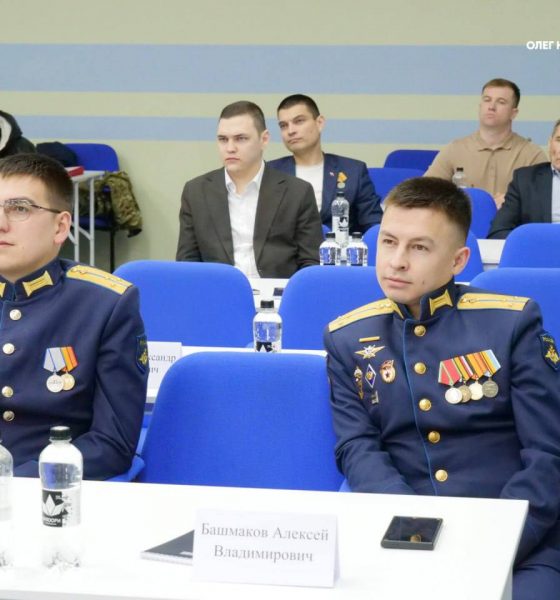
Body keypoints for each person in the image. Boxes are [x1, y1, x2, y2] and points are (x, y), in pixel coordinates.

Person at [324, 176, 560, 598]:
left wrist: (496, 543)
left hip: (517, 544)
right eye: (388, 242)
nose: (397, 261)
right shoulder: (347, 338)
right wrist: (410, 530)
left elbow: (548, 454)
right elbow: (356, 447)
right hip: (398, 538)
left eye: (419, 248)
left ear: (458, 260)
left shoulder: (510, 324)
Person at [0, 153, 147, 479]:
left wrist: (17, 483)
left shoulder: (105, 305)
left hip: (48, 492)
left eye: (19, 209)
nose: (1, 223)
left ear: (60, 227)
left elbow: (112, 444)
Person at [176, 100, 323, 278]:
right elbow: (187, 263)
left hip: (278, 292)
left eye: (241, 138)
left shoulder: (297, 192)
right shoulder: (196, 192)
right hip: (219, 290)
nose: (230, 148)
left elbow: (311, 264)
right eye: (223, 139)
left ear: (264, 139)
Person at [268, 94, 382, 233]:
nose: (291, 131)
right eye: (283, 125)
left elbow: (374, 226)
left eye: (299, 121)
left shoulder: (354, 171)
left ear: (319, 123)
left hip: (340, 246)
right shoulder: (269, 172)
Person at [425, 78, 547, 208]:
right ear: (480, 107)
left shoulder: (532, 154)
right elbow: (424, 192)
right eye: (487, 100)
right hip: (466, 220)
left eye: (501, 102)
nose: (491, 107)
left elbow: (548, 200)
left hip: (513, 220)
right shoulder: (454, 149)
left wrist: (514, 201)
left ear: (513, 113)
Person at [488, 118, 560, 238]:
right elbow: (498, 231)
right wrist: (531, 243)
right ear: (550, 142)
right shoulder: (524, 180)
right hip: (538, 247)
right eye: (559, 140)